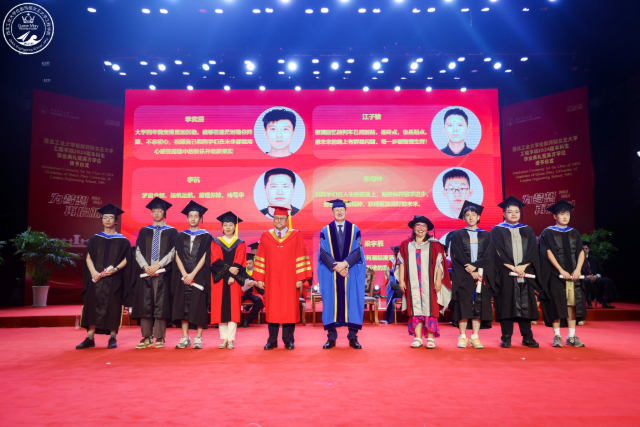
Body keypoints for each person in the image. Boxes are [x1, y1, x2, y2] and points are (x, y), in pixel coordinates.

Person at [252, 206, 312, 350]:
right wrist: (260, 278)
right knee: (272, 309)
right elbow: (260, 257)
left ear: (287, 220)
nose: (279, 221)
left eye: (282, 218)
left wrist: (300, 278)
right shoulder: (266, 236)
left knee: (289, 309)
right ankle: (272, 340)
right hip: (271, 280)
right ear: (273, 220)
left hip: (290, 280)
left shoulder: (295, 235)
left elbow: (301, 257)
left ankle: (288, 340)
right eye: (276, 218)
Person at [76, 204, 131, 350]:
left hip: (114, 279)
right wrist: (93, 272)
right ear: (101, 220)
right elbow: (88, 258)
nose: (107, 220)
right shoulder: (94, 239)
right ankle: (89, 337)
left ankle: (113, 337)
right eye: (105, 217)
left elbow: (127, 258)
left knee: (113, 306)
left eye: (111, 217)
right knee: (92, 305)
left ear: (116, 220)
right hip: (96, 278)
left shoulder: (123, 240)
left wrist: (115, 270)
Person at [491, 196, 543, 348]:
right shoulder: (497, 230)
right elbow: (496, 251)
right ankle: (506, 337)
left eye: (516, 212)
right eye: (510, 211)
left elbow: (534, 250)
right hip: (506, 273)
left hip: (525, 273)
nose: (513, 214)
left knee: (526, 305)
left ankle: (527, 337)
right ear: (504, 214)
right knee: (507, 305)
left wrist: (523, 266)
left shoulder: (527, 229)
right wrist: (512, 267)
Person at [128, 197, 178, 349]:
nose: (157, 213)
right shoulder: (144, 231)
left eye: (160, 210)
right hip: (146, 273)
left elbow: (173, 252)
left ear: (165, 212)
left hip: (163, 273)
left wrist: (157, 266)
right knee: (145, 304)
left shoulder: (172, 231)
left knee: (160, 304)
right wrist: (146, 266)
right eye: (154, 211)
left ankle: (160, 337)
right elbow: (137, 251)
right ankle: (146, 337)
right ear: (151, 213)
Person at [317, 199, 366, 350]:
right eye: (336, 210)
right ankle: (331, 338)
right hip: (332, 273)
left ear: (346, 212)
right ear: (332, 212)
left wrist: (345, 264)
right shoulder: (325, 230)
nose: (339, 212)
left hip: (349, 271)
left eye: (342, 210)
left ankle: (353, 337)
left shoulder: (354, 229)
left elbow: (358, 251)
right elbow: (323, 253)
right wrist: (337, 267)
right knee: (331, 303)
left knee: (353, 302)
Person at [398, 216, 452, 349]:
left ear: (427, 228)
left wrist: (438, 280)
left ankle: (430, 338)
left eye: (423, 226)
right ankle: (417, 338)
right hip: (412, 283)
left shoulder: (435, 244)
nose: (420, 228)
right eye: (418, 225)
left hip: (430, 283)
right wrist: (401, 280)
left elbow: (440, 264)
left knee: (430, 309)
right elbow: (401, 263)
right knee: (415, 309)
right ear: (413, 228)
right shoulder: (406, 244)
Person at [539, 200, 587, 348]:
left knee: (572, 304)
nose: (565, 216)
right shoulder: (547, 232)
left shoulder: (574, 233)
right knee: (557, 304)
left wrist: (578, 269)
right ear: (555, 216)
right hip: (555, 275)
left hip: (573, 275)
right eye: (561, 214)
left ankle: (571, 337)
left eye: (567, 213)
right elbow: (547, 252)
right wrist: (561, 270)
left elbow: (580, 251)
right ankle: (557, 336)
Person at [450, 201, 495, 349]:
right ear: (463, 218)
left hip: (481, 275)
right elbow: (457, 253)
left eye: (473, 215)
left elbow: (488, 255)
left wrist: (476, 268)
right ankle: (462, 336)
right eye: (467, 215)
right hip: (464, 275)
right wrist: (470, 269)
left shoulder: (486, 235)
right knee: (463, 304)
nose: (470, 217)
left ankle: (475, 336)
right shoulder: (458, 234)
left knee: (479, 305)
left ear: (478, 217)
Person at [171, 201, 212, 350]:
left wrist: (192, 274)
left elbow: (206, 257)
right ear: (187, 218)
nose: (193, 219)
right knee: (183, 306)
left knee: (199, 306)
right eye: (191, 216)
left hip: (199, 276)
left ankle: (199, 338)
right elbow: (177, 255)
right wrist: (184, 274)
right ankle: (185, 337)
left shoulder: (207, 236)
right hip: (182, 277)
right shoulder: (180, 236)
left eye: (196, 216)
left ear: (200, 218)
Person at [210, 211, 246, 350]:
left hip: (234, 280)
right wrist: (228, 270)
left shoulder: (240, 243)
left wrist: (232, 276)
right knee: (221, 309)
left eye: (231, 225)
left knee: (233, 310)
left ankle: (231, 339)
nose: (228, 227)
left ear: (235, 227)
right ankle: (224, 338)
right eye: (225, 225)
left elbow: (240, 260)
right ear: (222, 227)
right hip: (220, 280)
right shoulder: (216, 242)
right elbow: (215, 260)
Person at [583, 242, 618, 309]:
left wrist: (596, 276)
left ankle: (605, 302)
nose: (585, 250)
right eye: (583, 249)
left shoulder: (594, 259)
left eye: (586, 248)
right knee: (586, 281)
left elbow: (600, 271)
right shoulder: (577, 260)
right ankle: (589, 303)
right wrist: (587, 276)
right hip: (584, 278)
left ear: (588, 249)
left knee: (607, 281)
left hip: (595, 278)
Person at [240, 253, 264, 327]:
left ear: (254, 263)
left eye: (250, 263)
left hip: (254, 293)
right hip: (243, 293)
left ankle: (248, 321)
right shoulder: (241, 272)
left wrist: (255, 283)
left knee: (259, 300)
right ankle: (240, 321)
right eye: (246, 263)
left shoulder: (258, 272)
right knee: (234, 300)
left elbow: (262, 288)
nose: (248, 265)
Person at [384, 246, 402, 324]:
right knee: (391, 292)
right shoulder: (392, 260)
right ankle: (389, 318)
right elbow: (387, 270)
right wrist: (389, 277)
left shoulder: (405, 261)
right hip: (394, 283)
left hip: (401, 284)